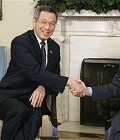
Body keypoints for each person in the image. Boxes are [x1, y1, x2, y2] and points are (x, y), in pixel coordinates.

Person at [0, 6, 82, 140]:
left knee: (35, 116)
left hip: (33, 99)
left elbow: (54, 77)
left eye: (52, 23)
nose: (48, 27)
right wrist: (70, 81)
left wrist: (43, 87)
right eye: (43, 22)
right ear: (34, 22)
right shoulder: (20, 42)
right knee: (19, 111)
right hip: (10, 95)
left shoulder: (54, 47)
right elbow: (35, 72)